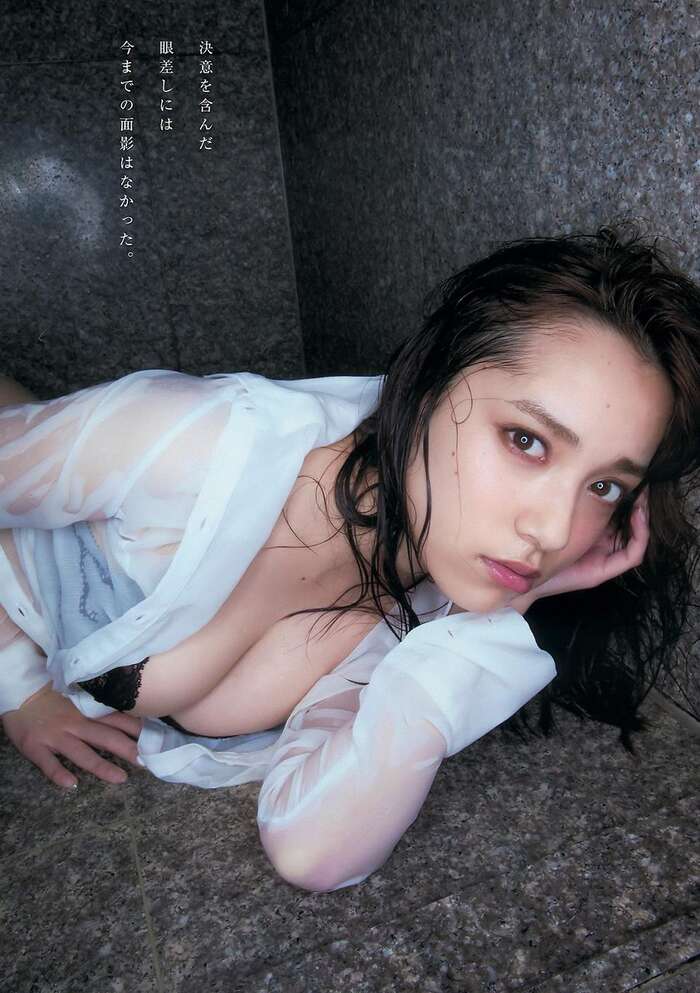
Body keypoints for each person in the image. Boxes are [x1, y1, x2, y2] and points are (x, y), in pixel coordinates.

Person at [1, 224, 698, 891]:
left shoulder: (425, 610)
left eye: (604, 487)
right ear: (431, 382)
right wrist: (18, 687)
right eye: (526, 440)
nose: (553, 529)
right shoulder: (190, 444)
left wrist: (509, 612)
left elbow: (311, 851)